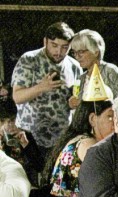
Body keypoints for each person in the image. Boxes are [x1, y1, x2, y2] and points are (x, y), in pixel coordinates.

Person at [11, 22, 82, 161]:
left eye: (64, 47)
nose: (59, 52)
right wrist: (41, 87)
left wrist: (75, 103)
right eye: (54, 45)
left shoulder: (75, 66)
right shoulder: (29, 60)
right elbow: (17, 97)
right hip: (30, 137)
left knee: (55, 181)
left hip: (61, 140)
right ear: (45, 41)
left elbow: (75, 97)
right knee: (29, 180)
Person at [46, 99, 114, 197]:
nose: (115, 122)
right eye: (110, 117)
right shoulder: (88, 145)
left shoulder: (82, 139)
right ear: (92, 119)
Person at [67, 29, 118, 109]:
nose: (77, 56)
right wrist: (72, 105)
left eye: (81, 52)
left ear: (96, 52)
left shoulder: (110, 71)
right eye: (74, 52)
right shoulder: (81, 79)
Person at [0, 98, 42, 186]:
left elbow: (40, 166)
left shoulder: (24, 135)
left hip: (25, 186)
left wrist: (26, 144)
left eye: (12, 120)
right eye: (6, 122)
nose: (10, 125)